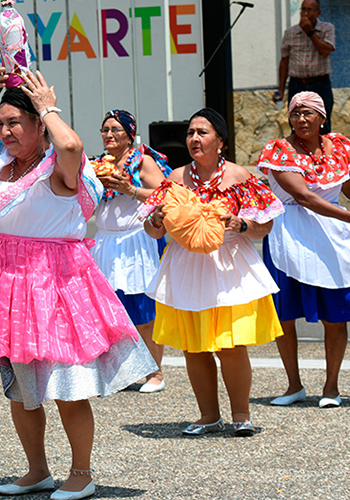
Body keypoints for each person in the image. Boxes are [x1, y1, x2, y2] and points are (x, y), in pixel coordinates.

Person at [0, 62, 156, 500]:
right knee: (22, 390)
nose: (4, 132)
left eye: (14, 123)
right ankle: (37, 470)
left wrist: (49, 106)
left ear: (39, 126)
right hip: (7, 282)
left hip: (55, 282)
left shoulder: (59, 167)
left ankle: (81, 472)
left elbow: (73, 144)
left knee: (67, 385)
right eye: (1, 123)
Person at [140, 108, 285, 437]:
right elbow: (152, 231)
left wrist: (242, 223)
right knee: (194, 346)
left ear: (220, 140)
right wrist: (157, 221)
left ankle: (241, 414)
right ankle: (208, 415)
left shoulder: (239, 176)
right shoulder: (176, 178)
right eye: (190, 132)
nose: (193, 138)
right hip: (186, 264)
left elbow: (265, 225)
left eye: (202, 132)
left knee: (231, 345)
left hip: (230, 265)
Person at [257, 91, 350, 408]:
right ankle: (294, 385)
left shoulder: (340, 146)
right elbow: (304, 197)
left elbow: (347, 188)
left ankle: (331, 388)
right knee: (285, 315)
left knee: (336, 316)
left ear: (323, 117)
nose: (300, 119)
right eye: (295, 113)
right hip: (290, 236)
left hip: (331, 237)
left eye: (308, 113)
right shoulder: (279, 149)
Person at [91, 109, 172, 393]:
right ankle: (120, 371)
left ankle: (155, 372)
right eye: (105, 130)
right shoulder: (98, 164)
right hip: (106, 242)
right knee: (110, 311)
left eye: (115, 129)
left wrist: (130, 189)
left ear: (129, 134)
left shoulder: (142, 161)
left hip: (136, 240)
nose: (109, 135)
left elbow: (166, 192)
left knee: (143, 311)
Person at [276, 0, 335, 132]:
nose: (305, 14)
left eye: (310, 10)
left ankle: (322, 152)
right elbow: (284, 61)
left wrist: (310, 32)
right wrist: (281, 89)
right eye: (303, 10)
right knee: (297, 125)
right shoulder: (291, 33)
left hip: (320, 84)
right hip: (297, 84)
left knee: (322, 126)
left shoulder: (327, 29)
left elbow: (326, 51)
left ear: (318, 12)